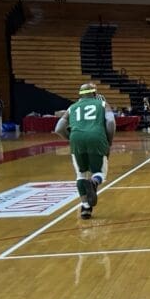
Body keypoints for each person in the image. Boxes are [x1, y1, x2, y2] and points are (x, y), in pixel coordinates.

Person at [54, 82, 116, 219]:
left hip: (76, 138)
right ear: (94, 93)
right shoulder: (103, 104)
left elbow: (58, 128)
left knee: (81, 174)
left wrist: (71, 138)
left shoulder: (72, 107)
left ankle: (85, 208)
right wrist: (109, 140)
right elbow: (111, 122)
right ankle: (93, 182)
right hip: (97, 138)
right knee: (99, 173)